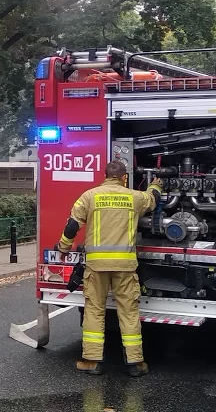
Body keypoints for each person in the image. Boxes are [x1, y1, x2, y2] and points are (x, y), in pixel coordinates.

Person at [57, 160, 162, 377]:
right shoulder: (135, 197)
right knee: (129, 312)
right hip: (125, 266)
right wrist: (155, 186)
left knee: (94, 310)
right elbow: (152, 200)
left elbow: (72, 225)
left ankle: (92, 361)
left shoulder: (89, 196)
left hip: (96, 267)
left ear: (105, 176)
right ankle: (135, 363)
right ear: (124, 177)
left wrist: (63, 248)